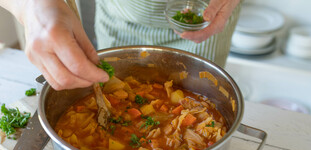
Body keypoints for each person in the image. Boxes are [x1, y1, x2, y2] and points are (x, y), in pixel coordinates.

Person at [0, 0, 241, 90]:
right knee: (113, 86)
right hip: (120, 19)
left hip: (206, 19)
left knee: (200, 92)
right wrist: (31, 5)